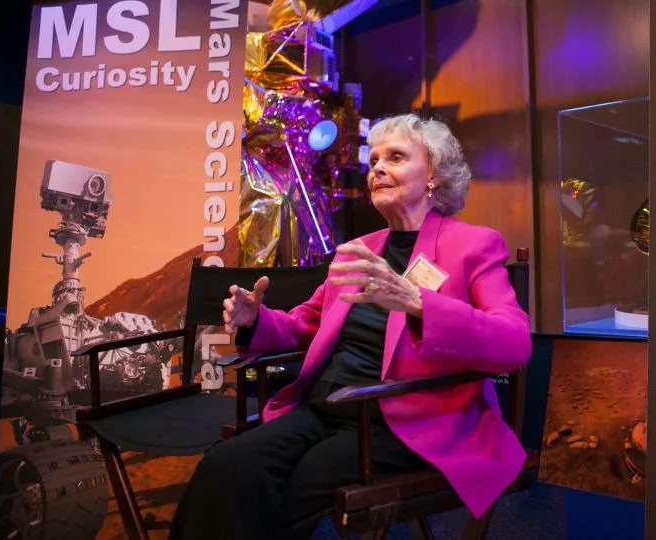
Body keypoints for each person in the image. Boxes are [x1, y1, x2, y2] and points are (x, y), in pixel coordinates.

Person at [170, 113, 532, 540]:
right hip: (326, 407)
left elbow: (513, 343)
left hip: (405, 420)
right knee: (226, 466)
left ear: (434, 175)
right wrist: (254, 320)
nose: (377, 168)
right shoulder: (357, 251)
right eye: (374, 159)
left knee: (289, 492)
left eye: (395, 157)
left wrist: (418, 302)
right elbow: (303, 324)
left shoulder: (473, 245)